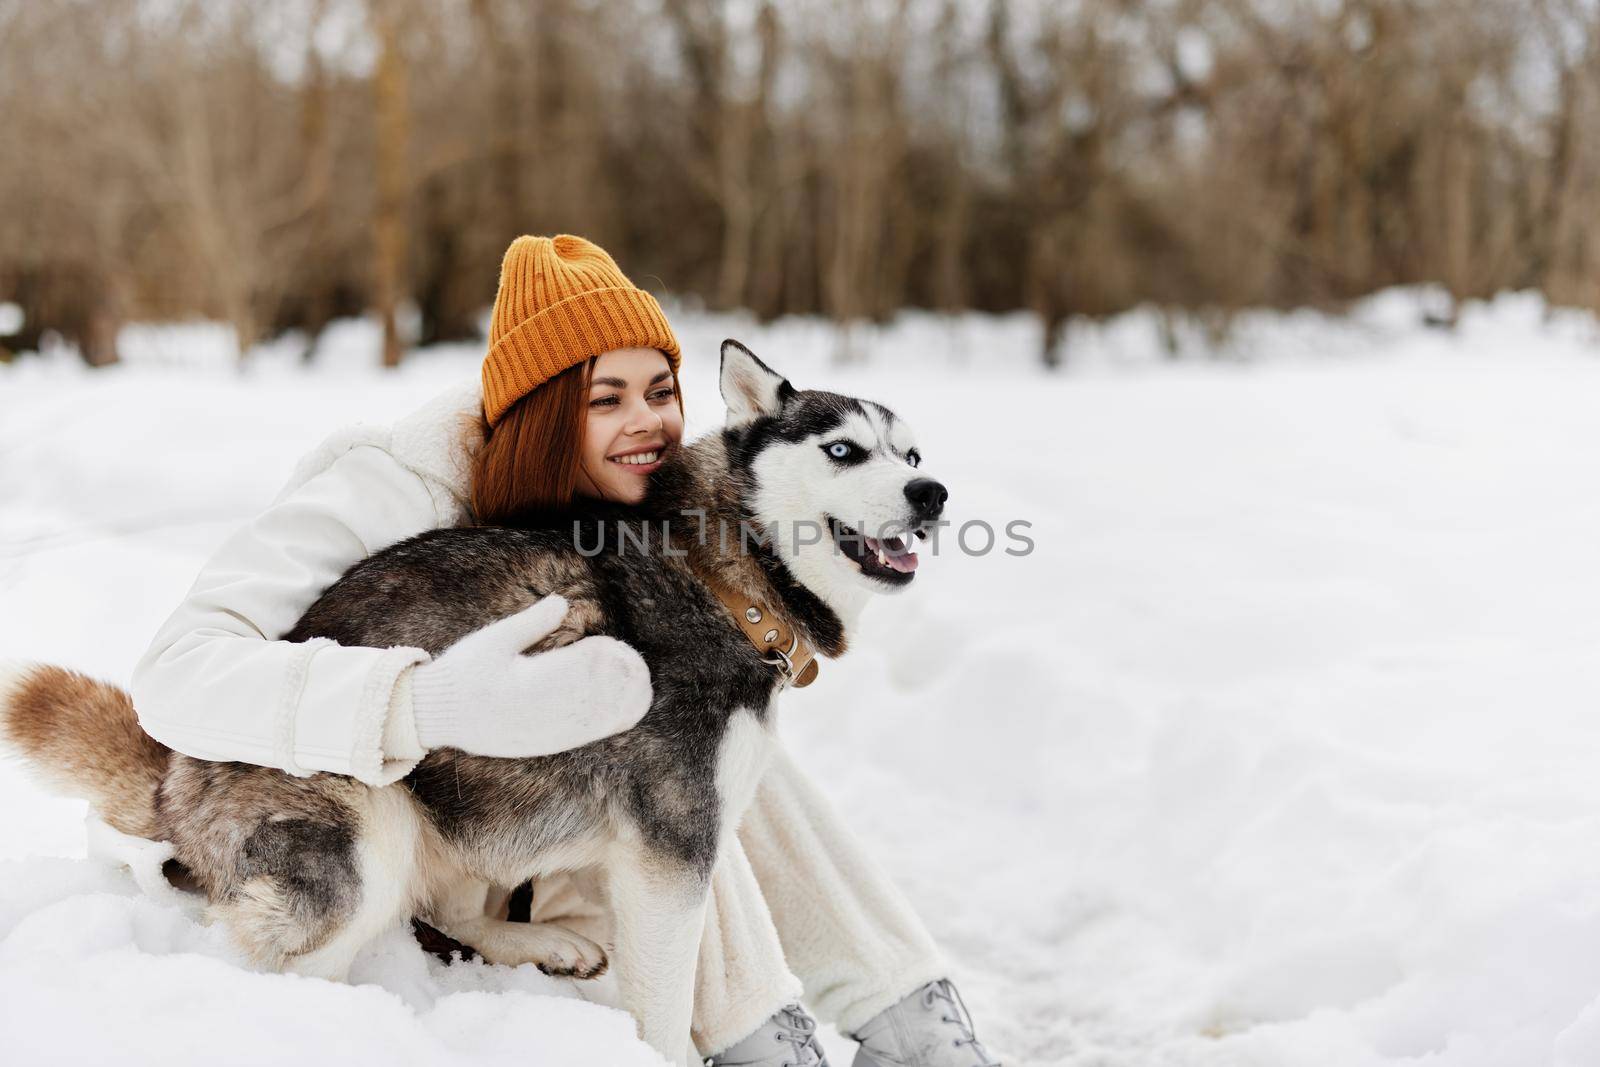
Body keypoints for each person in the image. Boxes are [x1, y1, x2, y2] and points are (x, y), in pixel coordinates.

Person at [131, 234, 999, 1067]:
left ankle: (906, 1014)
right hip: (302, 797)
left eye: (661, 390)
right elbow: (176, 678)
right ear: (545, 409)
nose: (649, 422)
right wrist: (419, 702)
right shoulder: (393, 479)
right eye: (605, 397)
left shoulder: (640, 511)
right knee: (691, 758)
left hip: (495, 833)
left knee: (716, 743)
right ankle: (770, 1032)